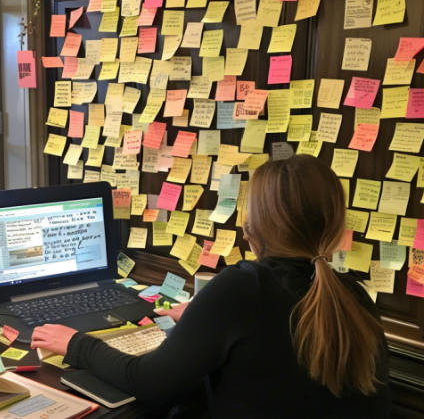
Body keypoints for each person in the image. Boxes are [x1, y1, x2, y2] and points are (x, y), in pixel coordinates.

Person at [31, 155, 391, 418]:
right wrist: (204, 317)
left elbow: (147, 381)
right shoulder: (353, 293)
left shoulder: (244, 287)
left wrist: (76, 344)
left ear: (253, 225)